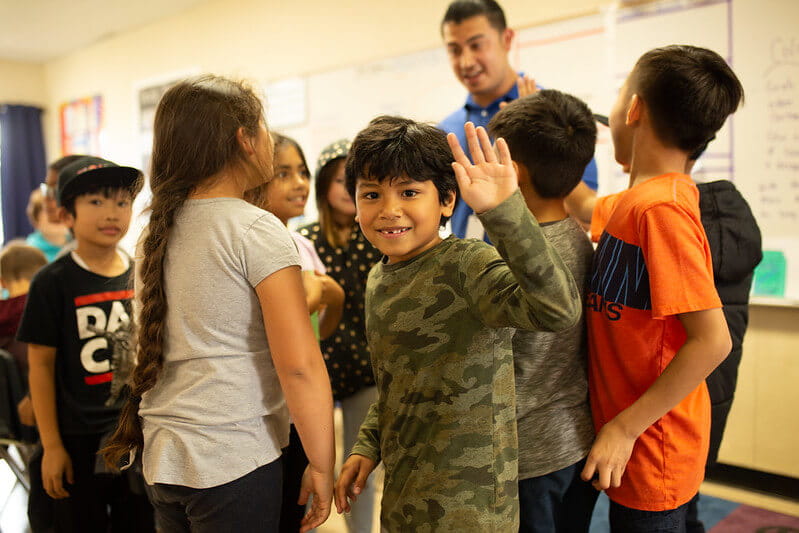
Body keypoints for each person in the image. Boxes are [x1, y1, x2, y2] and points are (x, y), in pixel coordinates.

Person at [100, 75, 335, 533]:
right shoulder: (256, 229)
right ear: (245, 140)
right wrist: (322, 464)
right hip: (235, 460)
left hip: (164, 458)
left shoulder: (154, 232)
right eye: (264, 128)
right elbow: (300, 366)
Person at [333, 116, 581, 531]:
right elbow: (396, 383)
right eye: (371, 194)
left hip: (473, 513)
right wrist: (367, 446)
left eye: (409, 192)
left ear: (447, 201)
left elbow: (558, 310)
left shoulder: (468, 265)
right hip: (404, 503)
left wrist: (503, 212)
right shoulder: (379, 278)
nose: (389, 210)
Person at [580, 45, 740, 531]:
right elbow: (579, 204)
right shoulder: (636, 203)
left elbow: (713, 340)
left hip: (653, 448)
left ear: (635, 108)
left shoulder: (661, 210)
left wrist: (624, 428)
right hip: (639, 444)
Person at [17, 155, 155, 532]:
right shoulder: (52, 282)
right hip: (76, 438)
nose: (111, 213)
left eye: (122, 202)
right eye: (96, 201)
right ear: (66, 215)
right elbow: (40, 366)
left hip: (132, 433)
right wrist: (52, 446)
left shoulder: (141, 275)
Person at [487, 89, 599, 532]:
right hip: (575, 437)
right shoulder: (578, 236)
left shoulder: (520, 257)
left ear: (511, 171)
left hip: (528, 453)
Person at [438, 0, 597, 240]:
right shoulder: (447, 129)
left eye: (477, 45)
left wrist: (537, 133)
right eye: (455, 50)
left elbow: (584, 218)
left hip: (535, 261)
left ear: (507, 39)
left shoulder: (557, 115)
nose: (466, 62)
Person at [257, 133, 345, 533]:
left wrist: (330, 295)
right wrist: (314, 292)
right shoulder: (256, 244)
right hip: (266, 405)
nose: (299, 184)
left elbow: (320, 329)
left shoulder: (302, 245)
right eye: (283, 174)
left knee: (294, 510)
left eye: (303, 172)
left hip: (299, 407)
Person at [297, 139, 380, 533]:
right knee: (312, 464)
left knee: (360, 468)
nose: (348, 190)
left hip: (366, 370)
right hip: (317, 371)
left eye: (357, 182)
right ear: (323, 187)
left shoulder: (378, 237)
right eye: (340, 181)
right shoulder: (305, 240)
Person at [26, 188, 71, 262]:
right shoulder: (29, 253)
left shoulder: (79, 245)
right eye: (50, 210)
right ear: (36, 217)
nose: (58, 215)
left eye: (62, 209)